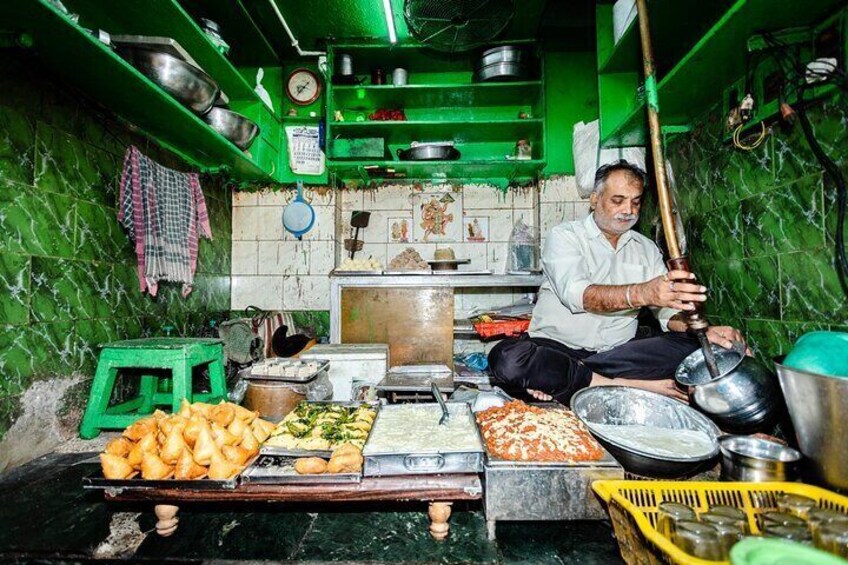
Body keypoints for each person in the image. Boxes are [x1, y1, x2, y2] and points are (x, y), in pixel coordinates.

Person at [488, 160, 747, 404]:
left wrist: (702, 332)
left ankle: (570, 380)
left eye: (636, 202)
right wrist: (643, 293)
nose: (628, 210)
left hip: (615, 356)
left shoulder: (646, 248)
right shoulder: (565, 237)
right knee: (508, 359)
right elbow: (580, 297)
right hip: (557, 349)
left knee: (700, 348)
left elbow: (668, 316)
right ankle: (621, 385)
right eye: (618, 200)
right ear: (594, 199)